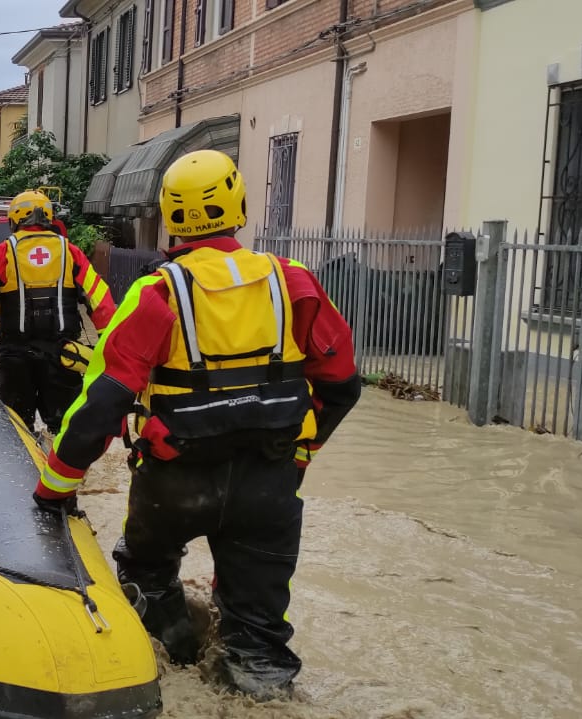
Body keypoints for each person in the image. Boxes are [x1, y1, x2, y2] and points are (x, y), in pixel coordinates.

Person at [33, 150, 361, 699]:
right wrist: (302, 453)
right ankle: (257, 686)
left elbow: (101, 406)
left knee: (148, 575)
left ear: (170, 217)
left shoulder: (156, 293)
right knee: (258, 634)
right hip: (269, 481)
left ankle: (174, 660)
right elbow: (343, 384)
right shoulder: (293, 283)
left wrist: (54, 489)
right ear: (239, 205)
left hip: (175, 481)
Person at [0, 190, 116, 436]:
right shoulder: (72, 254)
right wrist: (110, 361)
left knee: (16, 433)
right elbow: (103, 306)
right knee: (65, 433)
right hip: (64, 359)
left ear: (14, 220)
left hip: (15, 359)